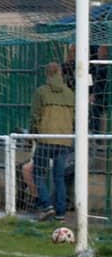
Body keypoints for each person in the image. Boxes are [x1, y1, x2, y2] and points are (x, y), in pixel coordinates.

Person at [31, 62, 75, 222]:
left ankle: (47, 206)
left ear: (47, 74)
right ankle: (61, 214)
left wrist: (33, 135)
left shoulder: (41, 92)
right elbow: (76, 118)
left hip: (46, 139)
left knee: (38, 174)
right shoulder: (70, 93)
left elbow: (35, 116)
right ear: (61, 74)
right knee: (59, 178)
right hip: (64, 141)